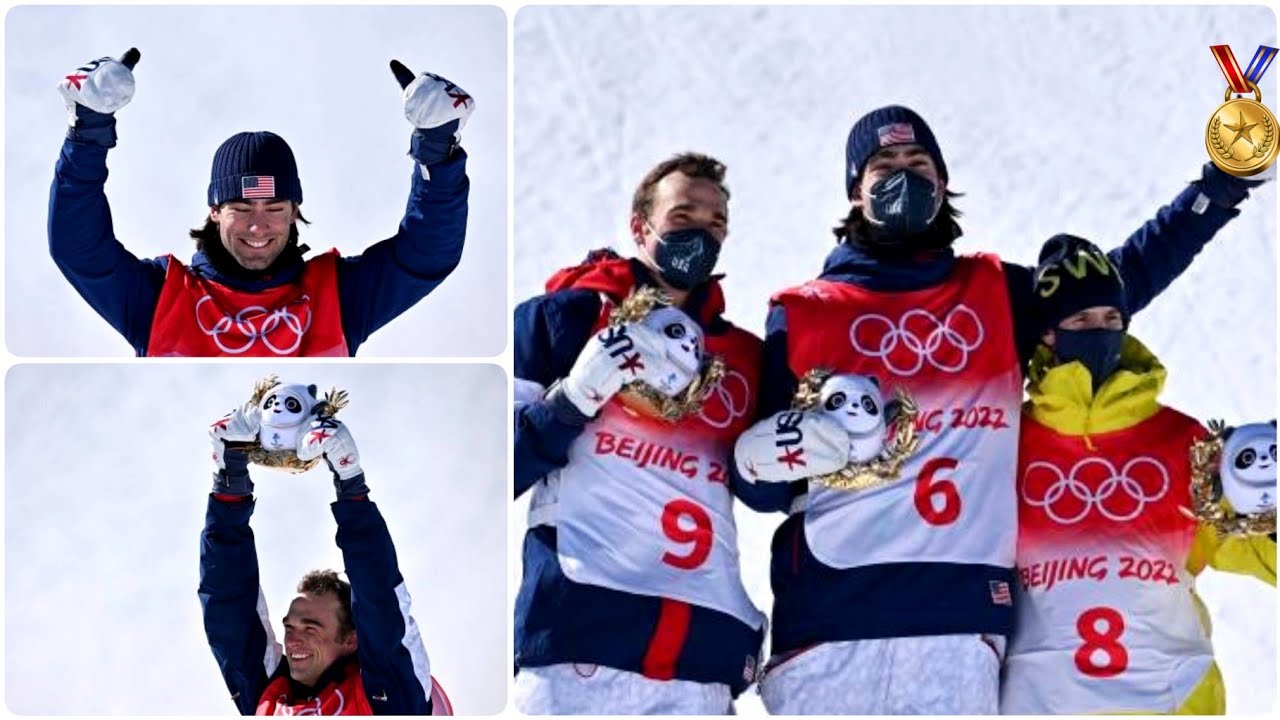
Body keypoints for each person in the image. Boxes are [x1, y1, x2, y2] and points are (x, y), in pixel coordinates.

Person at [734, 105, 1266, 713]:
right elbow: (763, 486)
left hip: (957, 629)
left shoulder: (994, 294)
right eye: (884, 165)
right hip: (832, 620)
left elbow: (1113, 286)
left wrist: (1219, 190)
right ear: (856, 191)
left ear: (942, 183)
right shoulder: (805, 312)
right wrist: (763, 460)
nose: (903, 176)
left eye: (918, 163)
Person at [512, 153, 777, 713]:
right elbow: (494, 469)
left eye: (715, 223)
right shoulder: (563, 319)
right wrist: (572, 401)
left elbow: (769, 493)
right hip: (578, 646)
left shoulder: (746, 358)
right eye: (683, 216)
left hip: (700, 655)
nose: (701, 233)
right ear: (641, 227)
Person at [1001, 234, 1276, 714]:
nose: (1100, 330)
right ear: (1047, 333)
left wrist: (1267, 504)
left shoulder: (1182, 439)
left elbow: (1251, 547)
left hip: (1170, 697)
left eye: (1112, 318)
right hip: (1043, 701)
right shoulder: (1010, 442)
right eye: (1082, 320)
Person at [51, 50, 473, 356]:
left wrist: (437, 154)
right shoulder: (161, 298)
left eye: (274, 209)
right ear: (214, 211)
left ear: (294, 213)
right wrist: (88, 136)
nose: (258, 227)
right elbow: (78, 249)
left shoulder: (338, 297)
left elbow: (427, 253)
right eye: (241, 208)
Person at [200, 387, 451, 715]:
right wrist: (228, 479)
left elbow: (380, 603)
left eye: (311, 628)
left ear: (351, 639)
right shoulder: (269, 694)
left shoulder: (388, 696)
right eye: (291, 627)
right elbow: (228, 603)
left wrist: (351, 482)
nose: (293, 640)